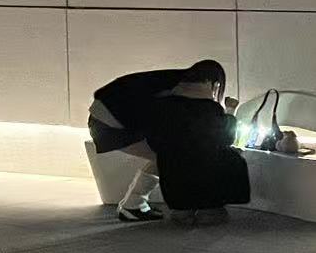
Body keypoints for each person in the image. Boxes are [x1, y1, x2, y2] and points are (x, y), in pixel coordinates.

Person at [87, 59, 236, 223]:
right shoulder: (190, 89)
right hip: (110, 123)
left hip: (105, 120)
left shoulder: (174, 81)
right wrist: (229, 111)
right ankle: (137, 205)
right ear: (212, 82)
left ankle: (135, 204)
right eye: (216, 87)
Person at [142, 63, 250, 226]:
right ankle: (210, 211)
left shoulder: (165, 106)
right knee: (233, 159)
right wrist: (230, 112)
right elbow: (225, 137)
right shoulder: (209, 108)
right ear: (212, 84)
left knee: (178, 175)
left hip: (172, 168)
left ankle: (182, 211)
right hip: (206, 168)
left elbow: (154, 138)